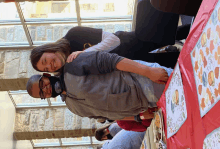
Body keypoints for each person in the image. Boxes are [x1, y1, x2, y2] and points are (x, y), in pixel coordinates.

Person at [26, 51, 173, 120]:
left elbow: (111, 60)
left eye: (42, 84)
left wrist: (148, 71)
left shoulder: (73, 65)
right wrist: (137, 116)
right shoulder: (72, 107)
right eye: (41, 93)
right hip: (146, 103)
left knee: (190, 86)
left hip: (144, 81)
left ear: (46, 76)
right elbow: (106, 116)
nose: (46, 89)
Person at [30, 26, 181, 74]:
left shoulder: (73, 34)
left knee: (173, 34)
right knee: (171, 62)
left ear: (49, 49)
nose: (50, 66)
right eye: (46, 69)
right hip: (130, 64)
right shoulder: (70, 71)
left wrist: (84, 54)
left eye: (45, 61)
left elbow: (114, 40)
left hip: (130, 42)